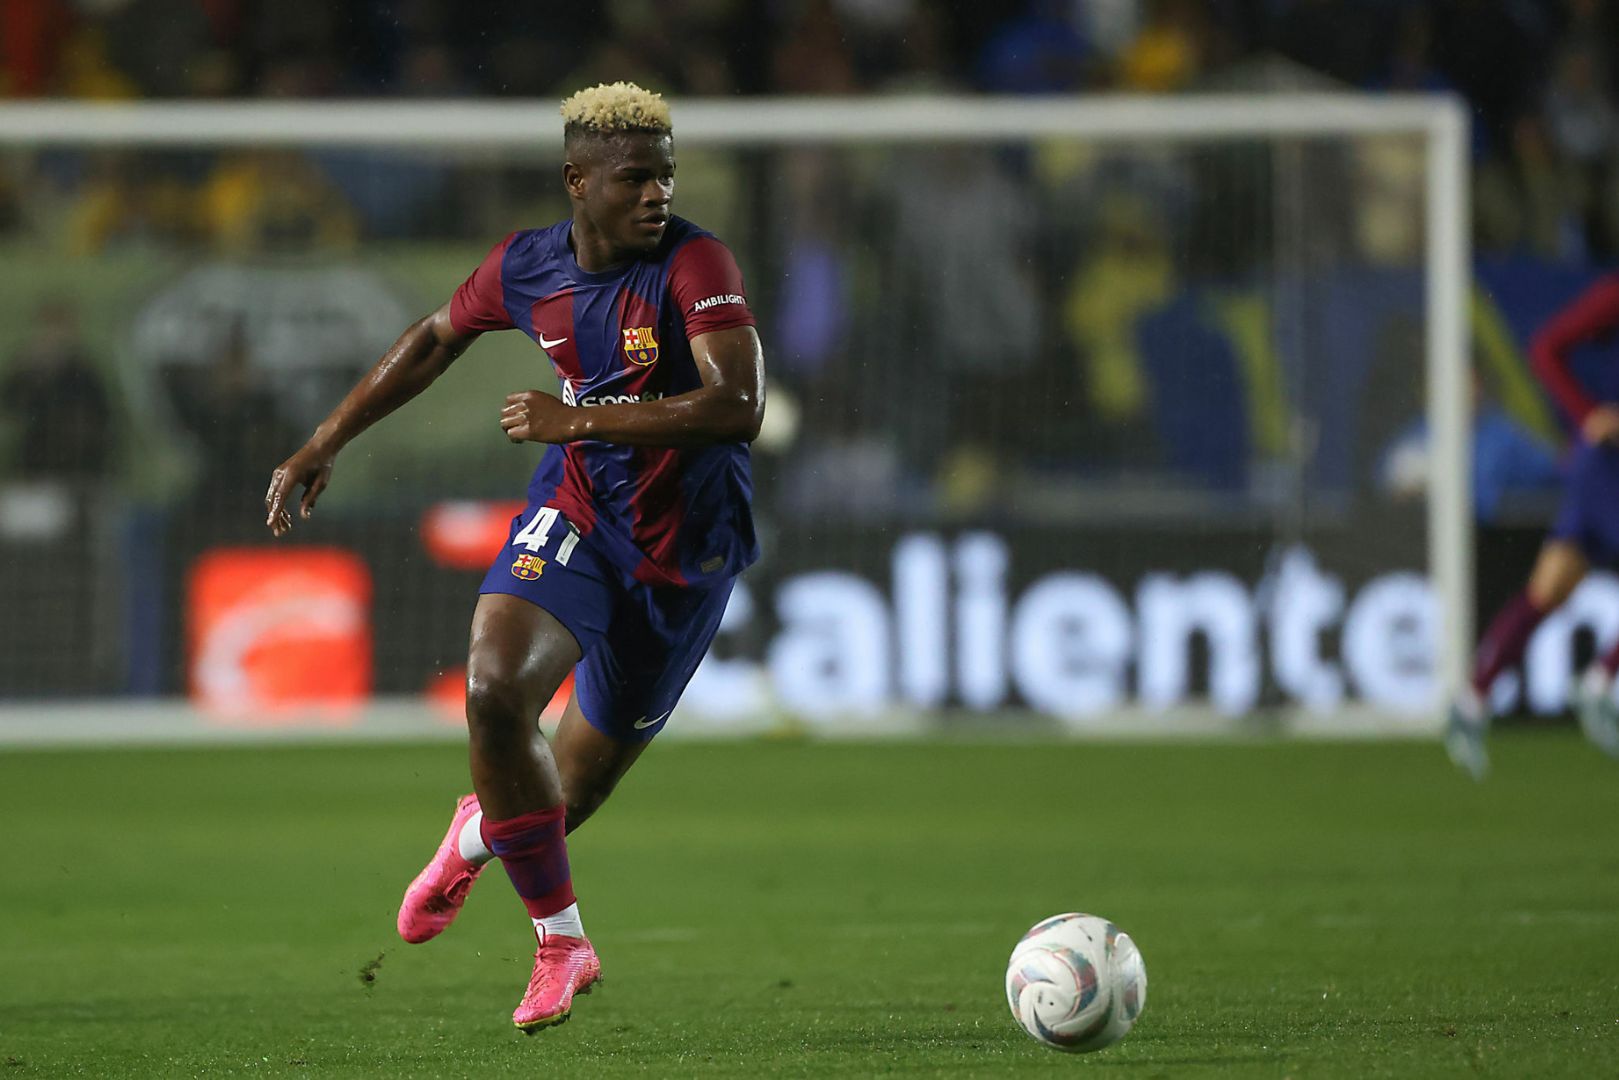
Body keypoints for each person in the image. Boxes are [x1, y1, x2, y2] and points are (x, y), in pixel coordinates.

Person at [263, 82, 764, 1030]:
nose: (657, 194)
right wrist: (326, 438)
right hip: (576, 510)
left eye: (665, 175)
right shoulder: (526, 265)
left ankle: (473, 839)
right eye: (633, 179)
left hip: (684, 555)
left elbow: (738, 408)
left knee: (560, 800)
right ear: (578, 181)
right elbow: (431, 341)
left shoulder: (697, 262)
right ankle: (563, 944)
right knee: (495, 692)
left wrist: (574, 415)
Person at [1446, 273, 1619, 778]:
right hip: (1606, 466)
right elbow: (1545, 349)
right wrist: (1588, 415)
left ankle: (1472, 699)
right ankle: (1602, 682)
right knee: (1549, 588)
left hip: (1597, 470)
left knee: (1550, 588)